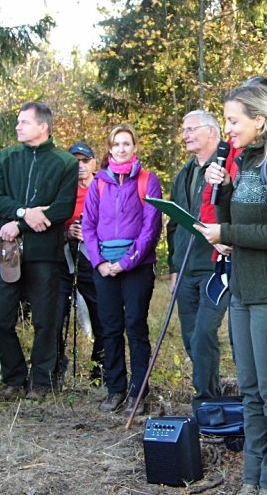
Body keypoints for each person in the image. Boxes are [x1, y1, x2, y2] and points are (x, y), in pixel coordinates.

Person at [198, 85, 267, 495]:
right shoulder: (245, 163)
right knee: (250, 392)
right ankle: (251, 480)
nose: (227, 129)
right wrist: (223, 193)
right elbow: (238, 226)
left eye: (232, 120)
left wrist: (225, 230)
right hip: (244, 293)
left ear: (259, 120)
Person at [0, 101, 78, 401]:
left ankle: (41, 381)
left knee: (45, 321)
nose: (18, 126)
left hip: (44, 254)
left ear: (43, 126)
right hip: (8, 251)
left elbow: (63, 208)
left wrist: (20, 225)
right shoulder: (7, 158)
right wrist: (23, 214)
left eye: (24, 121)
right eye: (18, 121)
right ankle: (13, 378)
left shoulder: (65, 162)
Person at [82, 124, 162, 416]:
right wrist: (100, 262)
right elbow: (88, 225)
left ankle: (139, 392)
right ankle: (115, 389)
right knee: (110, 327)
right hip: (104, 267)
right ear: (110, 148)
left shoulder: (147, 181)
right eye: (116, 144)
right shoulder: (99, 183)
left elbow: (151, 228)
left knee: (135, 326)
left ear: (135, 148)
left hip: (137, 266)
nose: (121, 148)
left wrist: (126, 262)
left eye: (126, 143)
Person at [167, 110, 231, 412]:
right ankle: (211, 391)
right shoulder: (185, 173)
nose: (185, 135)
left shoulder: (227, 168)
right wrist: (174, 267)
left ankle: (205, 402)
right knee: (191, 337)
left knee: (205, 333)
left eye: (191, 129)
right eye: (184, 129)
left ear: (212, 132)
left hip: (214, 267)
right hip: (186, 268)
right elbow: (174, 224)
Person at [55, 141, 104, 385]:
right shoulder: (62, 188)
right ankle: (55, 370)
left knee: (101, 315)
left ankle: (100, 372)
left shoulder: (105, 185)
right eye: (75, 162)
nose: (81, 167)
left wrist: (91, 231)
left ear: (94, 161)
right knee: (56, 313)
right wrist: (68, 231)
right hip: (65, 255)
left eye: (85, 161)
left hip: (95, 257)